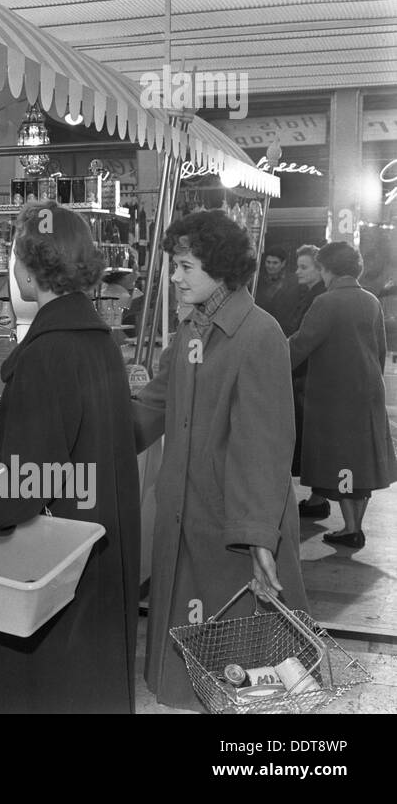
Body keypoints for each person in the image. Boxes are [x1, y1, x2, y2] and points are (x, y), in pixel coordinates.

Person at [0, 202, 140, 714]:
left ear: (31, 272)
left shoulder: (47, 352)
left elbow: (21, 487)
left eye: (15, 258)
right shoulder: (97, 341)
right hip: (93, 554)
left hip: (50, 575)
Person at [133, 211, 308, 711]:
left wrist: (257, 537)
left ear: (223, 269)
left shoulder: (259, 334)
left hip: (233, 527)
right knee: (201, 673)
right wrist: (96, 436)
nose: (174, 277)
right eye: (174, 265)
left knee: (249, 676)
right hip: (188, 521)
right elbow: (155, 404)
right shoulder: (192, 328)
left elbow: (265, 444)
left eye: (185, 266)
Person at [288, 242, 395, 548]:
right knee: (361, 460)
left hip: (337, 395)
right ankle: (354, 524)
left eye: (320, 267)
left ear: (328, 269)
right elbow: (380, 349)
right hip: (369, 388)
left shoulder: (326, 302)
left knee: (343, 458)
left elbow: (301, 344)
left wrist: (267, 358)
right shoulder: (371, 300)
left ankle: (350, 528)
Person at [290, 244, 327, 509]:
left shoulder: (320, 298)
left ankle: (319, 497)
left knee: (312, 437)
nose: (298, 272)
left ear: (320, 268)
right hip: (305, 375)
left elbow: (305, 339)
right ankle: (318, 495)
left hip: (308, 376)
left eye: (304, 267)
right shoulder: (312, 295)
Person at [254, 244, 305, 336]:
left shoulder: (295, 282)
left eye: (275, 263)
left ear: (283, 263)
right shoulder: (257, 281)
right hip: (261, 329)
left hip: (285, 331)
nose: (270, 266)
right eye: (268, 262)